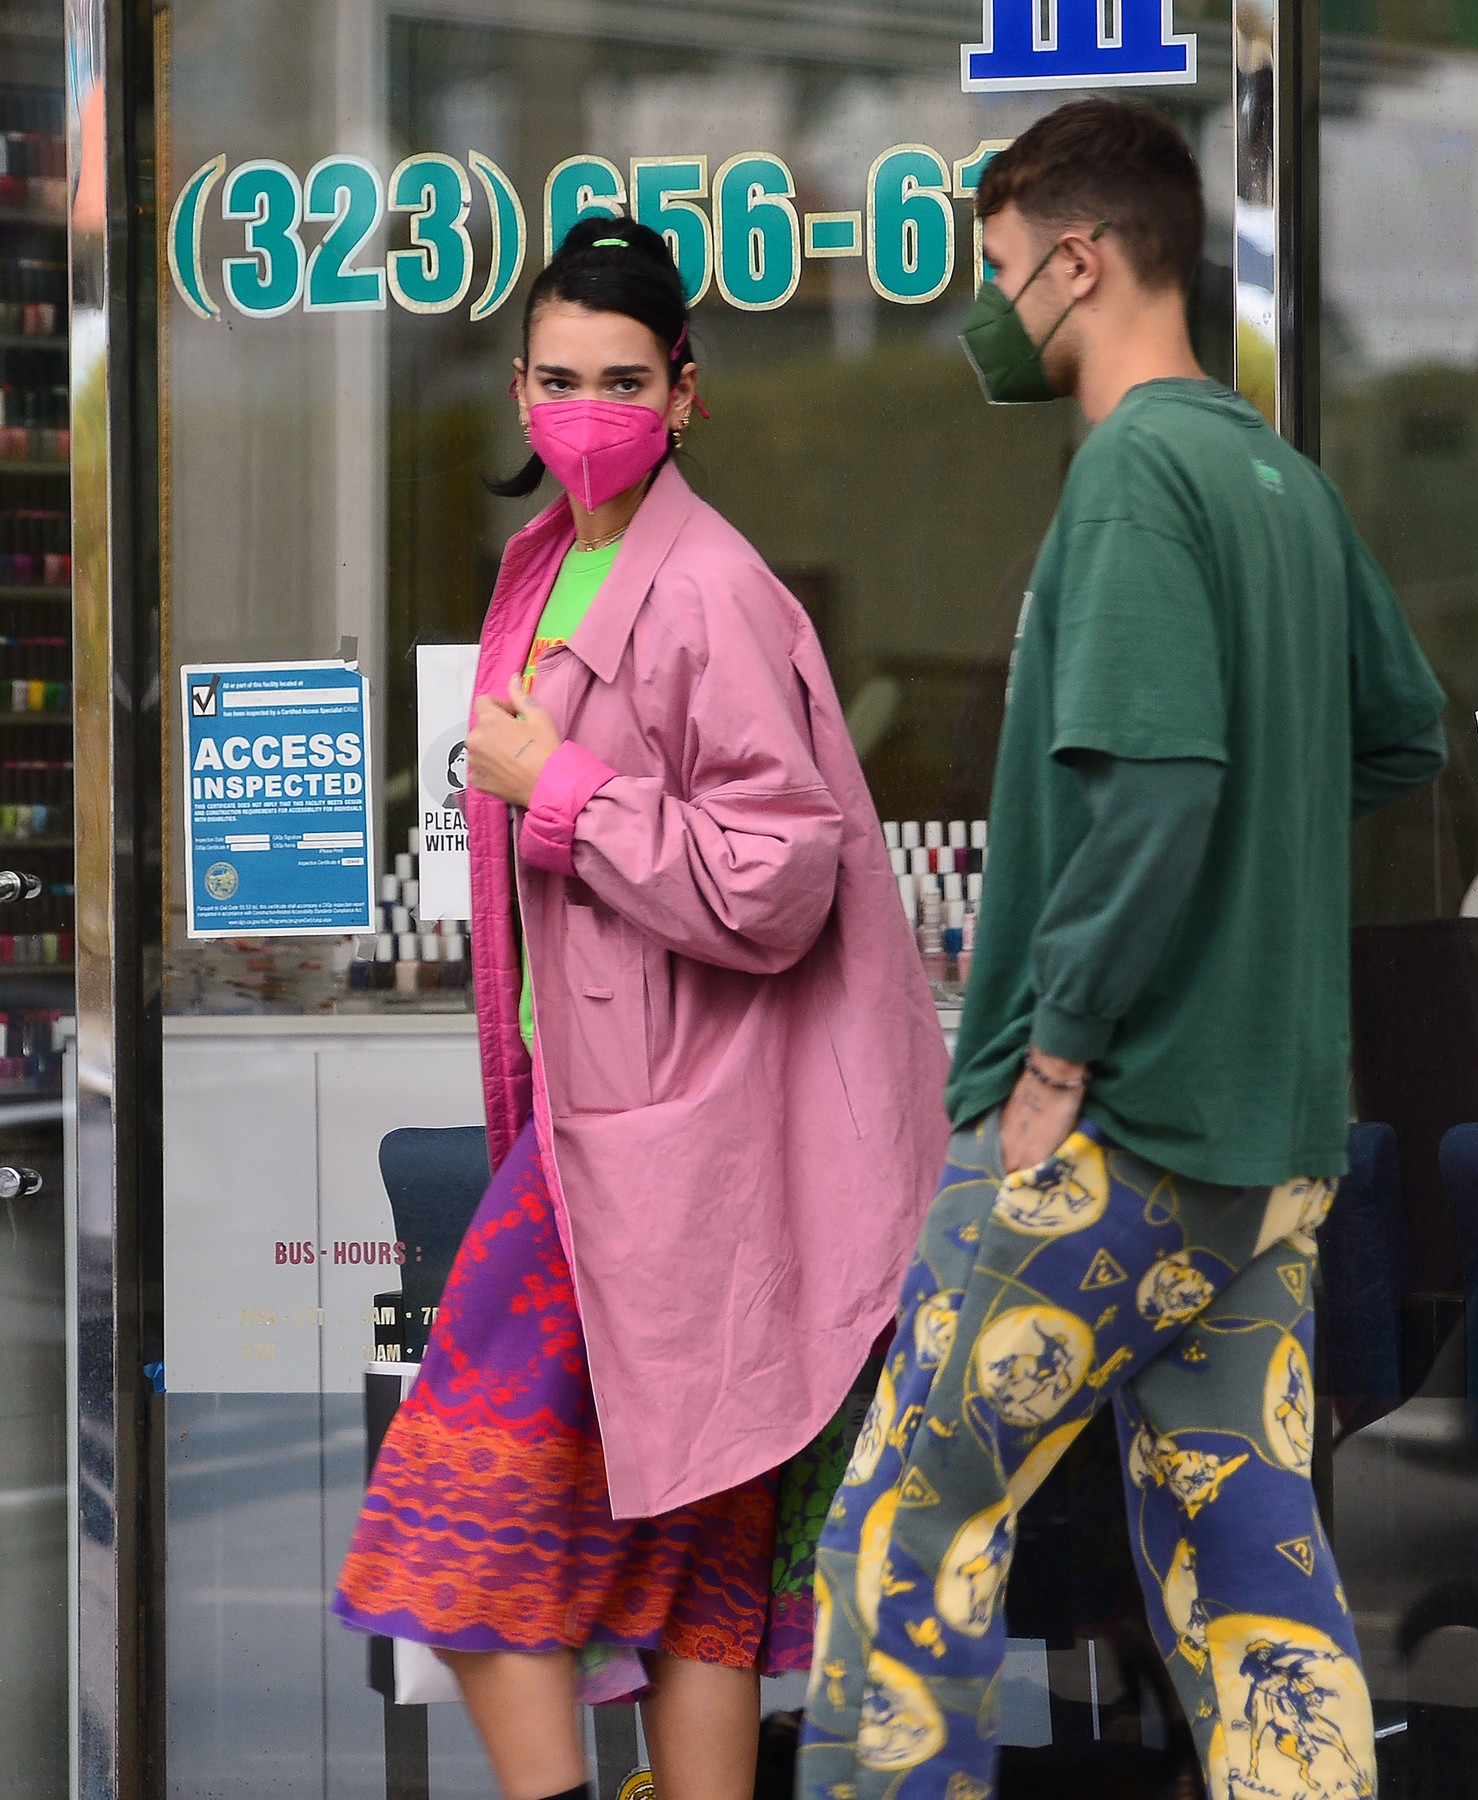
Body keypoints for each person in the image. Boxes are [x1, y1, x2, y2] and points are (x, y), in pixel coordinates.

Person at [798, 98, 1446, 1800]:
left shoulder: (1135, 475)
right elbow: (1401, 735)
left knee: (903, 1540)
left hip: (1110, 1131)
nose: (991, 311)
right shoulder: (1275, 479)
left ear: (1079, 260)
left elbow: (1157, 790)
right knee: (1251, 1571)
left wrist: (1060, 1048)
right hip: (1269, 1153)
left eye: (1002, 269)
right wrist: (1257, 872)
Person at [334, 216, 948, 1800]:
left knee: (452, 1529)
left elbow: (781, 879)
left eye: (622, 380)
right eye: (555, 377)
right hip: (615, 1123)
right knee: (694, 1579)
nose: (584, 410)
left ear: (686, 394)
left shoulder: (710, 587)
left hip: (675, 1142)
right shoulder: (550, 562)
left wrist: (565, 789)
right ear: (518, 387)